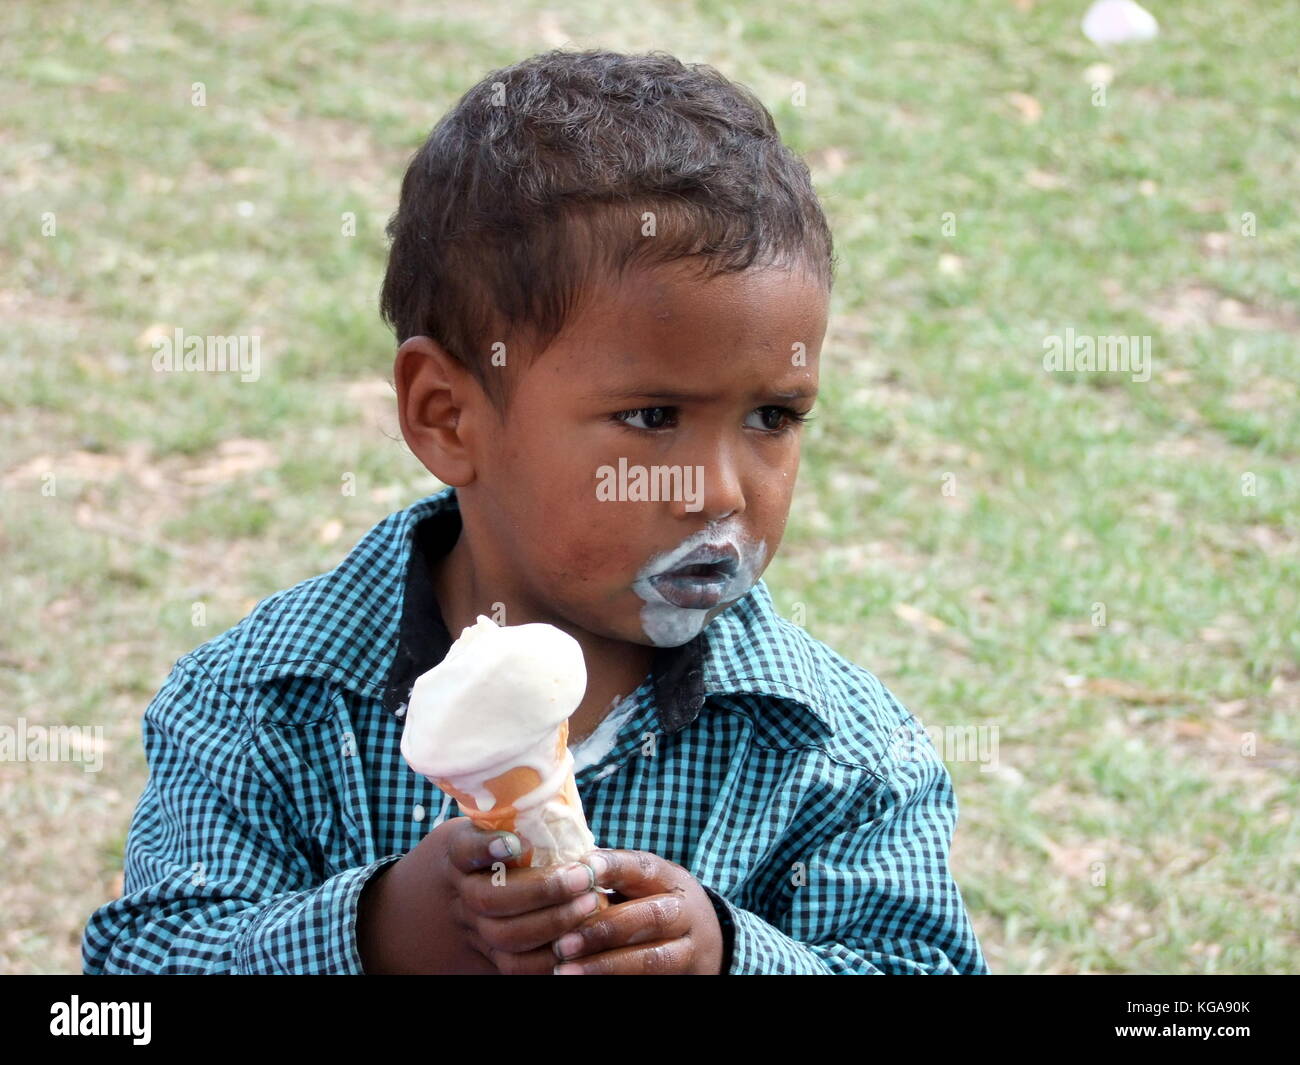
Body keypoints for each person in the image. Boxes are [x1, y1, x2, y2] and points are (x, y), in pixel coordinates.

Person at [82, 48, 989, 975]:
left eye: (773, 417)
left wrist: (732, 959)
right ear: (447, 415)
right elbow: (135, 979)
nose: (721, 490)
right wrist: (380, 934)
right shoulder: (262, 708)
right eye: (651, 417)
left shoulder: (845, 759)